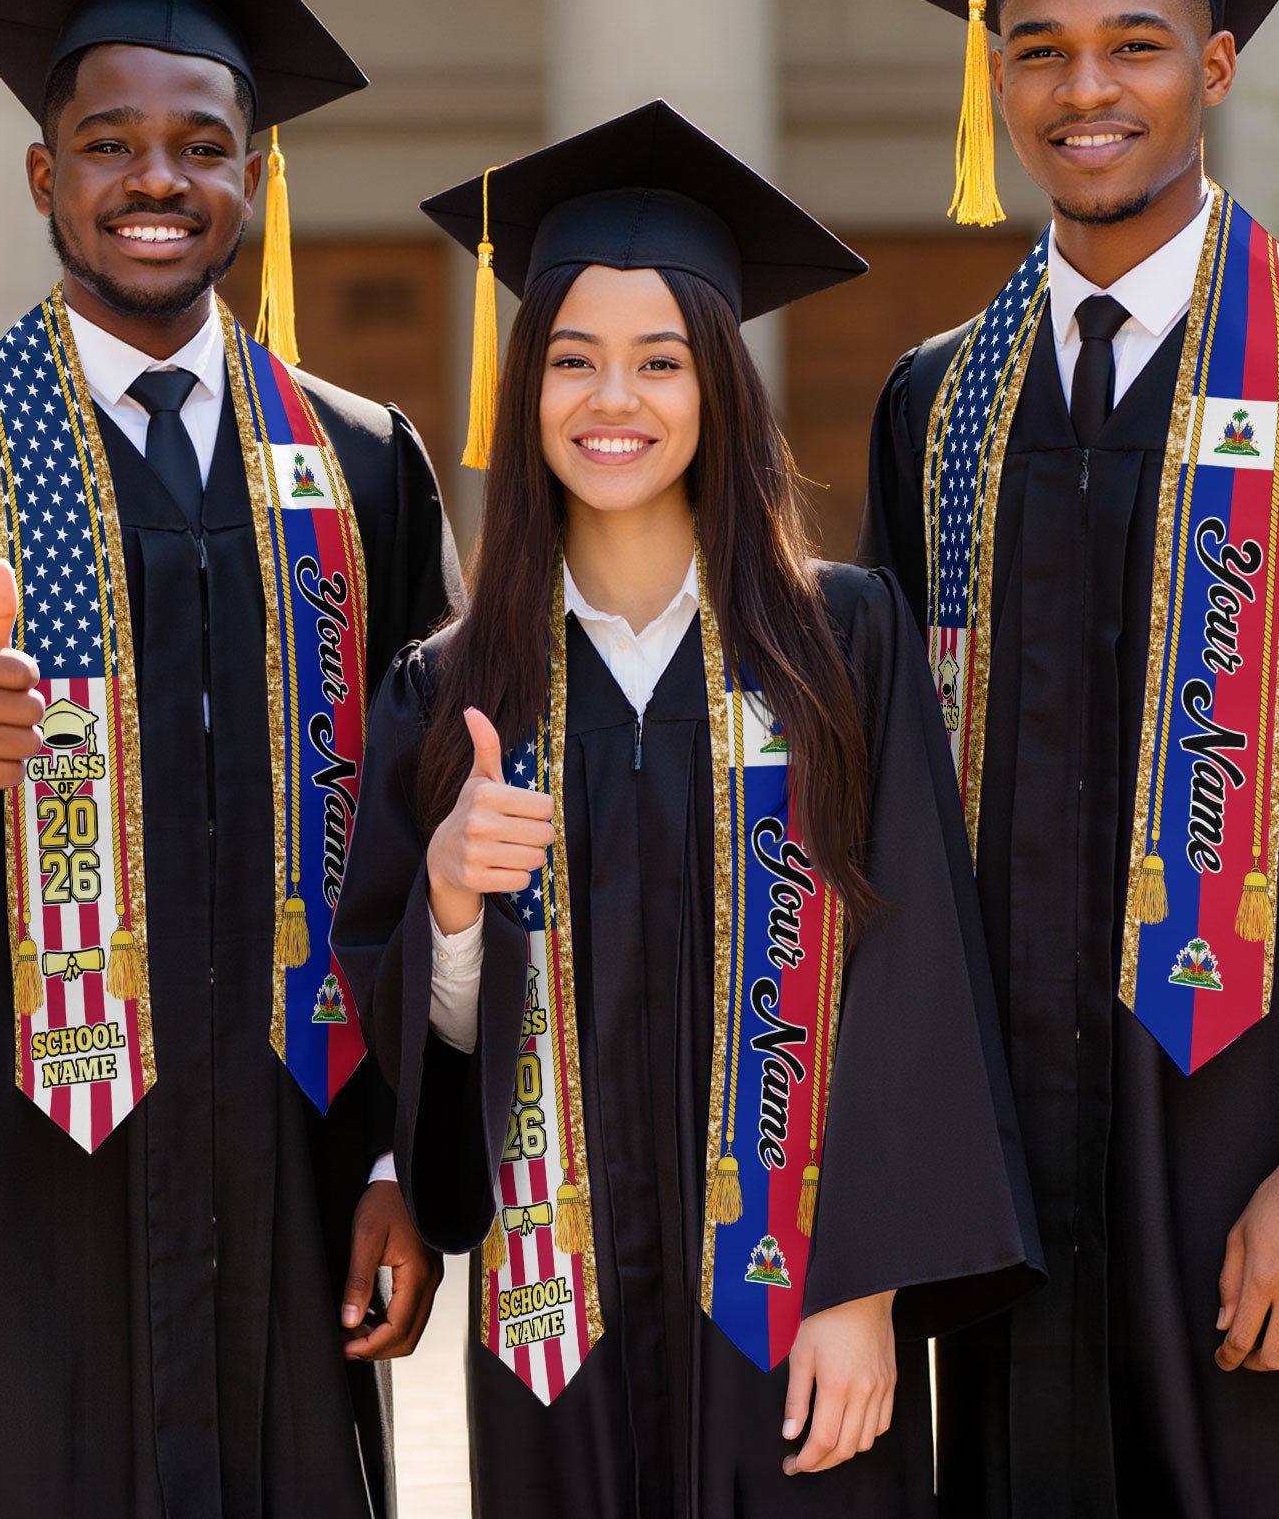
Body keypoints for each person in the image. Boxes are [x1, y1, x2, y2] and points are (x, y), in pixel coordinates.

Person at [0, 0, 461, 1514]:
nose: (155, 179)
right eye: (107, 143)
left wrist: (401, 1163)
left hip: (302, 1161)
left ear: (254, 174)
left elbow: (436, 814)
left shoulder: (360, 463)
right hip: (40, 1177)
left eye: (201, 143)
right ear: (45, 175)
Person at [333, 101, 1040, 1517]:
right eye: (574, 361)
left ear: (718, 387)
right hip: (557, 1330)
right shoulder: (453, 687)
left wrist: (864, 1287)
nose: (615, 402)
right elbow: (414, 1044)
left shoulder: (846, 646)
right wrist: (455, 908)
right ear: (523, 389)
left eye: (659, 362)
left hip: (796, 1317)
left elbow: (917, 976)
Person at [862, 0, 1279, 1518]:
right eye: (1039, 48)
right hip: (1008, 1146)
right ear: (994, 77)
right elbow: (889, 803)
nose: (1086, 90)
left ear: (1216, 69)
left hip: (1257, 1135)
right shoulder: (938, 404)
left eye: (1137, 44)